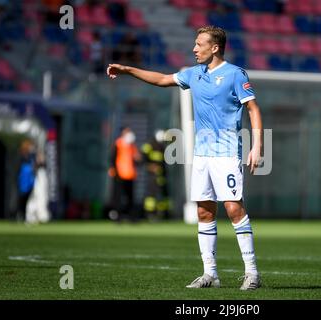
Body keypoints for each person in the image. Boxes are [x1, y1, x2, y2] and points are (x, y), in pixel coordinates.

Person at [107, 26, 263, 290]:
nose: (194, 48)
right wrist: (128, 70)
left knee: (233, 208)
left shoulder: (235, 74)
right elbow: (161, 80)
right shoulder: (194, 74)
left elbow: (253, 109)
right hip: (201, 156)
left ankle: (252, 273)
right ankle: (210, 274)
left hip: (226, 154)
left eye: (199, 44)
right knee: (203, 211)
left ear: (214, 47)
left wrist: (257, 146)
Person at [108, 126, 142, 222]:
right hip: (119, 174)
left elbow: (137, 159)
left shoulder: (132, 146)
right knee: (118, 197)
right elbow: (112, 158)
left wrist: (138, 158)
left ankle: (132, 217)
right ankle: (117, 216)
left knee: (130, 197)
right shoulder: (118, 143)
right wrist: (113, 170)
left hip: (130, 175)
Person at [141, 129, 171, 221]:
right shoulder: (149, 145)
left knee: (163, 194)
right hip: (152, 175)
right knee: (151, 194)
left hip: (161, 175)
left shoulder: (162, 146)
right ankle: (149, 214)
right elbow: (143, 158)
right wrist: (150, 166)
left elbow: (164, 162)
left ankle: (164, 214)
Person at [17, 139, 36, 222]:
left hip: (30, 179)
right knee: (22, 198)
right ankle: (21, 215)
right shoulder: (22, 157)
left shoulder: (31, 156)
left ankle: (26, 215)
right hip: (24, 179)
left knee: (28, 198)